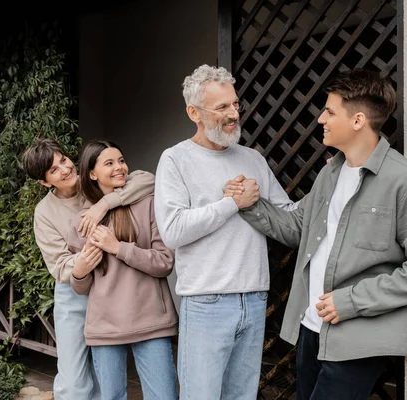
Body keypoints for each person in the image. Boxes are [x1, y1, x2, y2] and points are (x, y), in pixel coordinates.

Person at [237, 69, 407, 399]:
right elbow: (297, 228)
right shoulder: (329, 173)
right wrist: (249, 204)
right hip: (311, 329)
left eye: (330, 111)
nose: (321, 118)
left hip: (357, 338)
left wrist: (351, 301)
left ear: (358, 120)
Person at [153, 64, 296, 399]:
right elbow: (173, 231)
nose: (234, 114)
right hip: (207, 301)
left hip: (255, 296)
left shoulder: (252, 158)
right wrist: (230, 203)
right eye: (222, 108)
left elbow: (287, 214)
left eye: (235, 104)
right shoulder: (175, 159)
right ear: (194, 112)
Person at [22, 138, 155, 400]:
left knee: (106, 372)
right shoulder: (44, 212)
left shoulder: (94, 181)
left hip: (112, 286)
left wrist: (104, 204)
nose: (64, 169)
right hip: (74, 295)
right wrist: (84, 260)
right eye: (54, 170)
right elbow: (59, 265)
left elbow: (147, 180)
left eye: (63, 160)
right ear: (45, 182)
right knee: (74, 381)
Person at [67, 140, 178, 400]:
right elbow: (81, 287)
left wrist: (118, 247)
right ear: (92, 174)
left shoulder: (147, 203)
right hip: (104, 327)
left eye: (121, 160)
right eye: (109, 163)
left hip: (152, 322)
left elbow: (164, 263)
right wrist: (79, 271)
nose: (119, 167)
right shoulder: (81, 223)